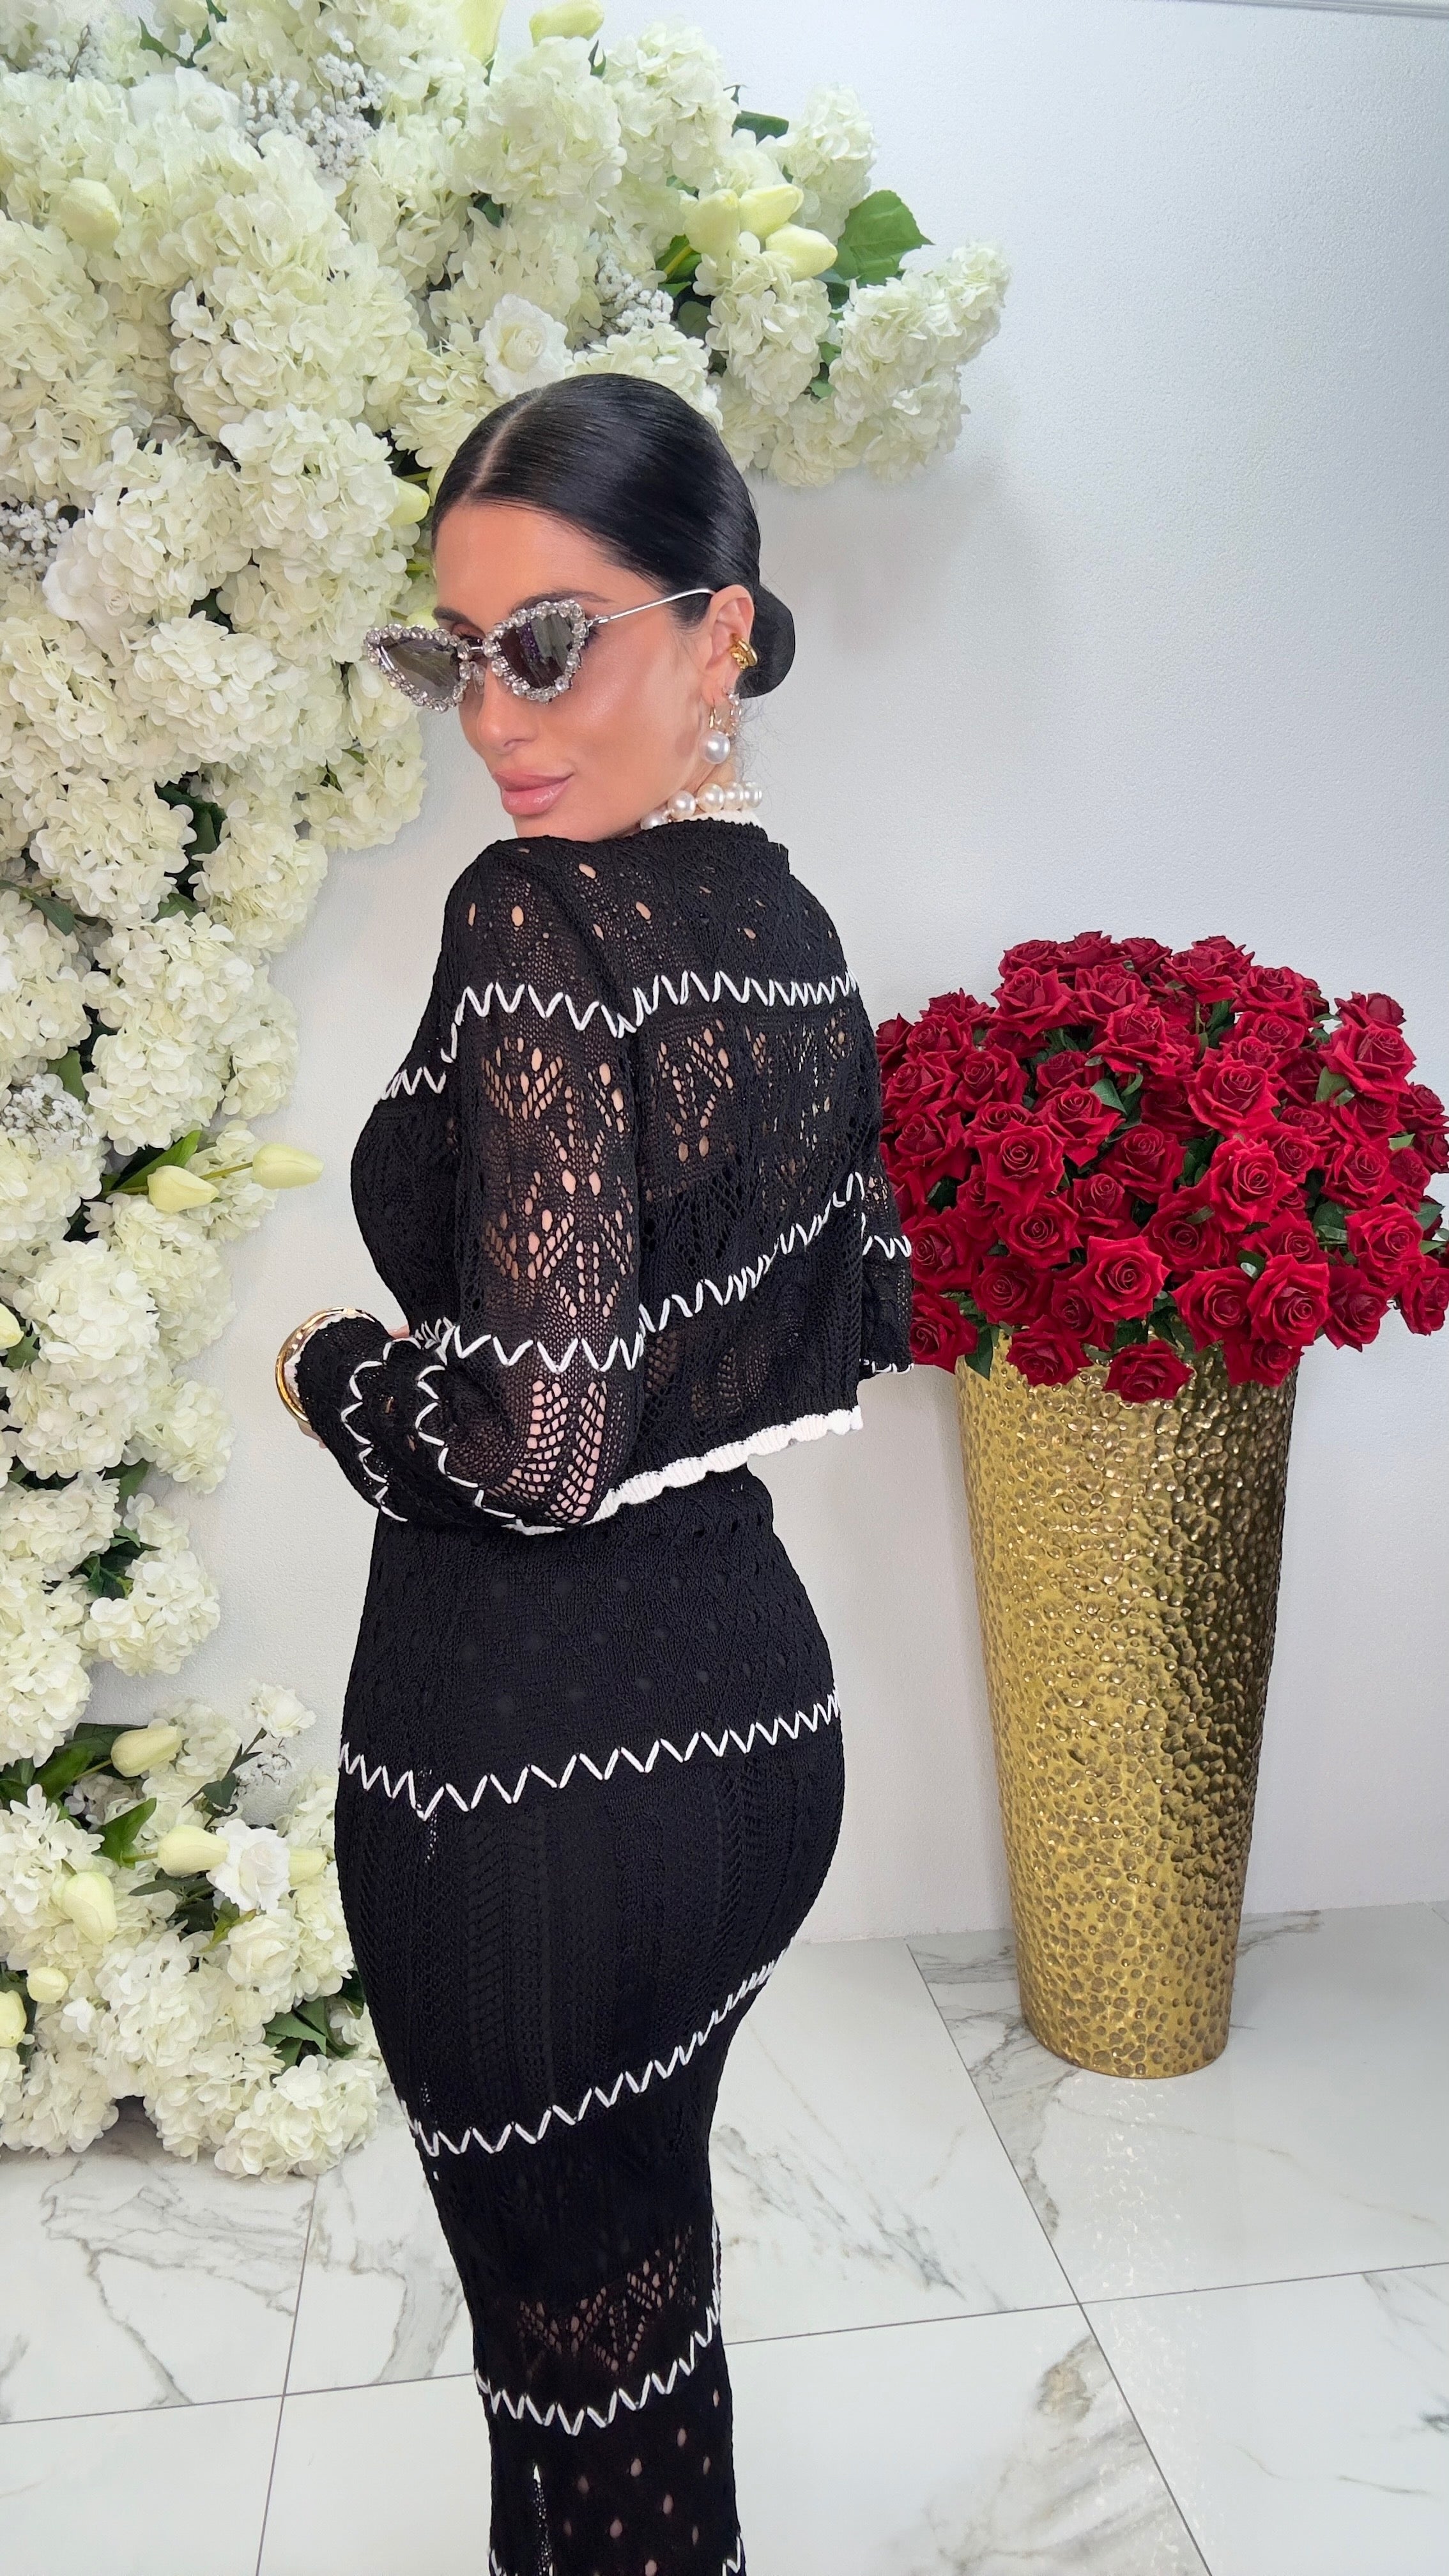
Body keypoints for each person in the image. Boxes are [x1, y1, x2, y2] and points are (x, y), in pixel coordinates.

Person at [273, 374, 913, 2576]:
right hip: (750, 1745)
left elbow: (532, 1453)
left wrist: (333, 1372)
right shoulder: (791, 928)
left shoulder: (533, 921)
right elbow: (869, 1309)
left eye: (550, 643)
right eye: (455, 655)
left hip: (528, 1782)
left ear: (719, 631)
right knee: (625, 2316)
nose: (493, 716)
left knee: (569, 2346)